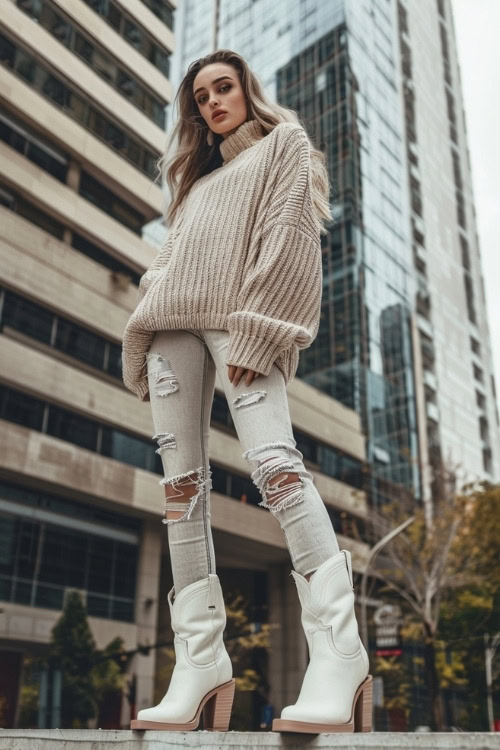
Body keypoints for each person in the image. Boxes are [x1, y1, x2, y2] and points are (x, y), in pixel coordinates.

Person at [124, 49, 371, 734]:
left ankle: (340, 654)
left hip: (240, 323)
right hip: (171, 330)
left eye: (222, 88)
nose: (212, 102)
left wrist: (263, 328)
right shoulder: (197, 185)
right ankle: (200, 665)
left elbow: (289, 239)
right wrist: (146, 317)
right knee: (181, 495)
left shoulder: (283, 145)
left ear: (245, 90)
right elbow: (170, 262)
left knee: (276, 467)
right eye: (201, 97)